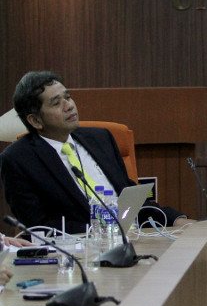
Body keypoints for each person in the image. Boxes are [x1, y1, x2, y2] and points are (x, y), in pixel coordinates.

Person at [0, 71, 194, 235]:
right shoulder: (18, 160)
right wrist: (105, 230)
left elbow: (130, 200)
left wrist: (175, 220)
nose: (69, 105)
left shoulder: (101, 139)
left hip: (136, 239)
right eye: (56, 103)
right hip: (80, 255)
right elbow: (39, 227)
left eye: (68, 97)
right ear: (35, 121)